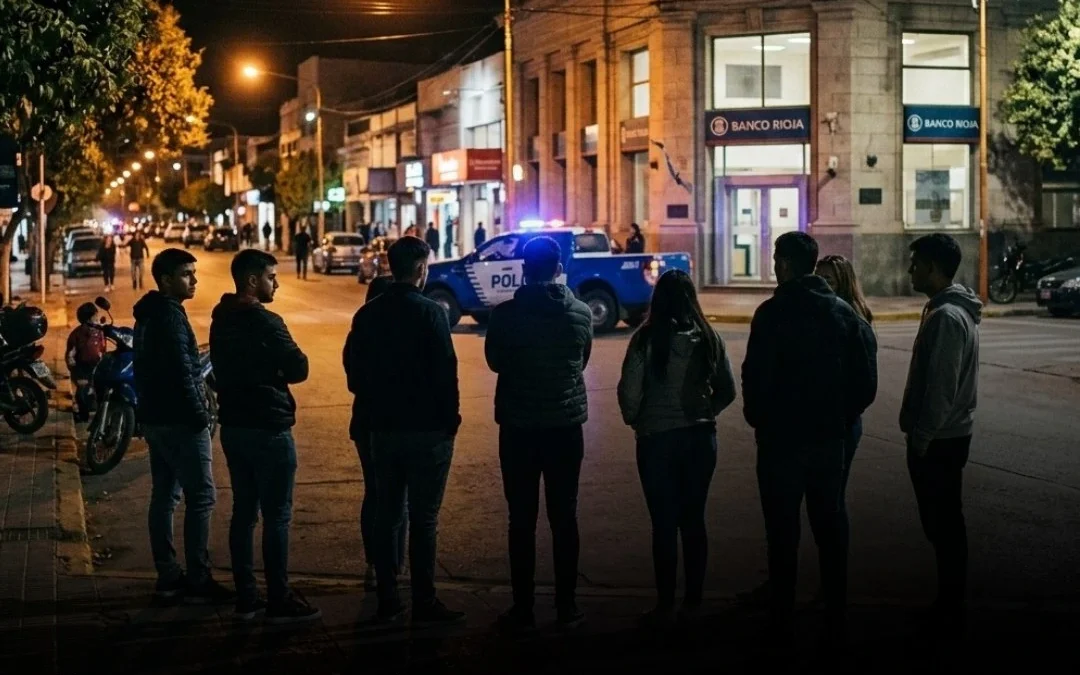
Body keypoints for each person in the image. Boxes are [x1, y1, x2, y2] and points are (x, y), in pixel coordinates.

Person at [741, 232, 877, 650]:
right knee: (829, 526)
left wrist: (761, 419)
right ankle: (835, 613)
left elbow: (754, 377)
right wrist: (839, 417)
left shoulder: (771, 314)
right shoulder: (843, 314)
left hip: (780, 442)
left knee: (782, 533)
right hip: (827, 440)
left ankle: (781, 619)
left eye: (776, 259)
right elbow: (865, 384)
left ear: (784, 263)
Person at [345, 236, 463, 625]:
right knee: (423, 519)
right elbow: (446, 371)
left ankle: (388, 596)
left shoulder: (367, 315)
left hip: (383, 429)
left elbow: (355, 375)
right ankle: (424, 600)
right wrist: (450, 421)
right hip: (427, 430)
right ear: (421, 269)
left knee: (388, 513)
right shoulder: (430, 313)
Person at [484, 236, 593, 635]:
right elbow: (581, 360)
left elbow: (495, 361)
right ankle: (567, 605)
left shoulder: (504, 315)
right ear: (558, 269)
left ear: (524, 270)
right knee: (564, 517)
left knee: (521, 520)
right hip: (565, 427)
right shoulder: (580, 312)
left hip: (519, 428)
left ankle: (523, 607)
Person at [617, 269, 737, 627]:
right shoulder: (709, 337)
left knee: (664, 524)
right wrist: (705, 412)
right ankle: (693, 600)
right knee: (694, 519)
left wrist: (638, 419)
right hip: (699, 438)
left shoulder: (646, 339)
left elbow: (630, 392)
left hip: (657, 440)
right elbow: (728, 390)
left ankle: (665, 603)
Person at [209, 249, 320, 623]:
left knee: (244, 512)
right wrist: (274, 370)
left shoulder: (221, 318)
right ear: (253, 280)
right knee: (276, 516)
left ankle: (247, 597)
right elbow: (299, 367)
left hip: (234, 425)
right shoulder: (267, 321)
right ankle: (278, 598)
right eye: (272, 277)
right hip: (268, 427)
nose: (277, 284)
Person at [133, 248, 232, 604]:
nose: (194, 280)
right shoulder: (170, 318)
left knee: (164, 496)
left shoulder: (148, 315)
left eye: (194, 273)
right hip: (179, 420)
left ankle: (168, 575)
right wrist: (200, 417)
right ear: (166, 280)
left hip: (156, 417)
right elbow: (183, 374)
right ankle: (198, 578)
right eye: (187, 274)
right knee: (201, 497)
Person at [901, 234, 981, 638]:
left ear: (933, 268)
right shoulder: (943, 310)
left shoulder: (947, 317)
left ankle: (950, 606)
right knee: (943, 523)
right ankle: (949, 602)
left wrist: (921, 438)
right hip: (946, 435)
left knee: (944, 525)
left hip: (941, 439)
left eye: (915, 264)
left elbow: (942, 389)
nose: (910, 270)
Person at [343, 272, 407, 591]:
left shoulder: (359, 332)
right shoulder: (400, 333)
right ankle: (394, 565)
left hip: (365, 420)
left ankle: (375, 564)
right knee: (398, 497)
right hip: (393, 423)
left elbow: (353, 381)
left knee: (375, 492)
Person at [66, 302, 105, 423]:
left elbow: (102, 349)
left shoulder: (99, 332)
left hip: (97, 367)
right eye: (95, 316)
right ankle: (83, 414)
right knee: (82, 392)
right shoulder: (77, 335)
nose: (97, 318)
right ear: (88, 318)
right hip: (82, 369)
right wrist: (76, 373)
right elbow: (71, 356)